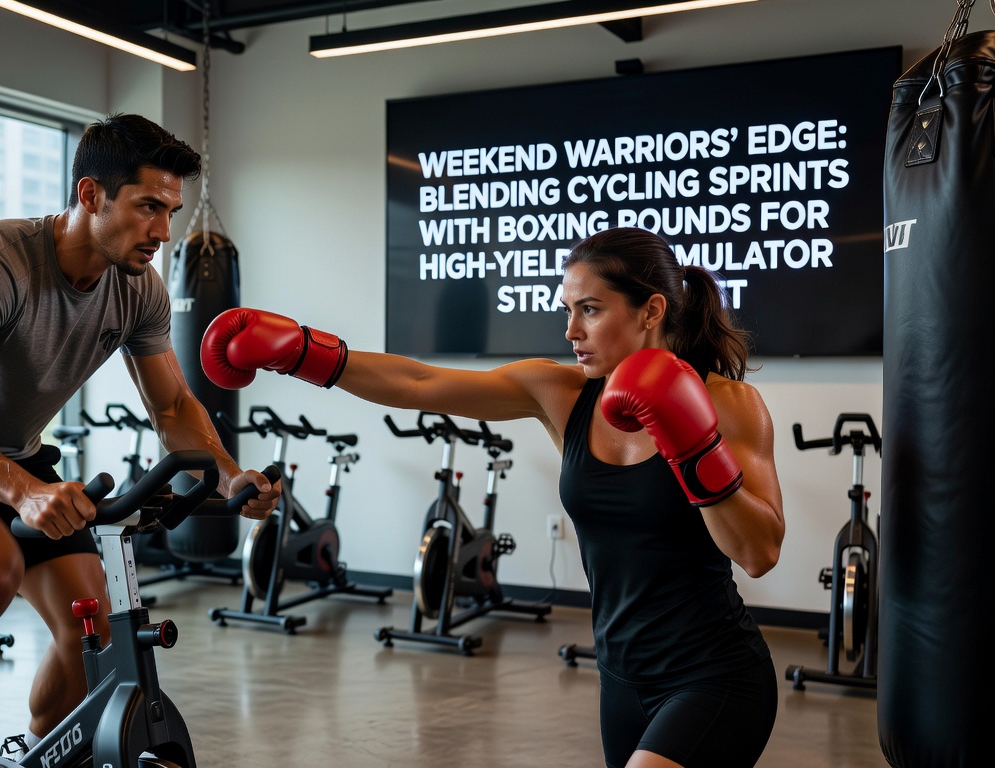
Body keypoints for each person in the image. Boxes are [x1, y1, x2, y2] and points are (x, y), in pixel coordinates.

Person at [201, 226, 784, 768]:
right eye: (568, 311)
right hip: (622, 679)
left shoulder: (729, 405)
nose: (571, 331)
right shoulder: (562, 395)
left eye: (591, 310)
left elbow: (759, 553)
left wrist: (693, 444)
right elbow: (419, 383)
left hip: (715, 675)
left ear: (651, 309)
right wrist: (306, 353)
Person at [0, 112, 279, 768]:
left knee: (93, 623)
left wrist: (228, 475)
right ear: (90, 195)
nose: (163, 232)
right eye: (147, 208)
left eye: (170, 212)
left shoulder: (140, 290)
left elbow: (171, 402)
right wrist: (25, 493)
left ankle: (34, 753)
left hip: (17, 453)